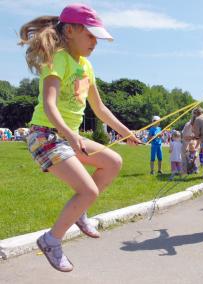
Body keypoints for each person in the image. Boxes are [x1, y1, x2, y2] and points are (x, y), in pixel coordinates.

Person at [19, 4, 140, 272]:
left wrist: (126, 132)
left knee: (113, 162)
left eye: (98, 37)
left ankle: (80, 211)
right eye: (91, 35)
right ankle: (51, 241)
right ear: (70, 30)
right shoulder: (57, 59)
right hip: (45, 135)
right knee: (88, 190)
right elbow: (50, 106)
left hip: (66, 136)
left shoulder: (86, 66)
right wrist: (71, 136)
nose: (95, 42)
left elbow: (100, 108)